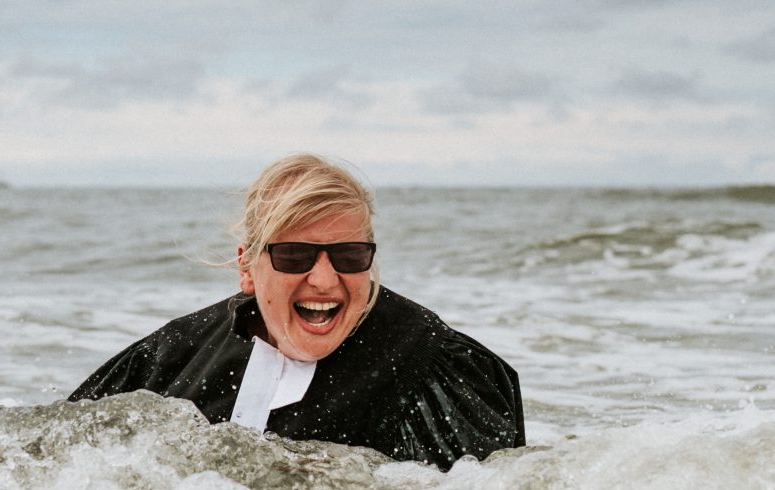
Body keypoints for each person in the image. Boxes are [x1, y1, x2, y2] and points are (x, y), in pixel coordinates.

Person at [68, 154, 525, 470]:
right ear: (247, 266)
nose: (325, 280)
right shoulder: (168, 360)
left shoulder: (434, 367)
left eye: (348, 256)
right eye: (293, 256)